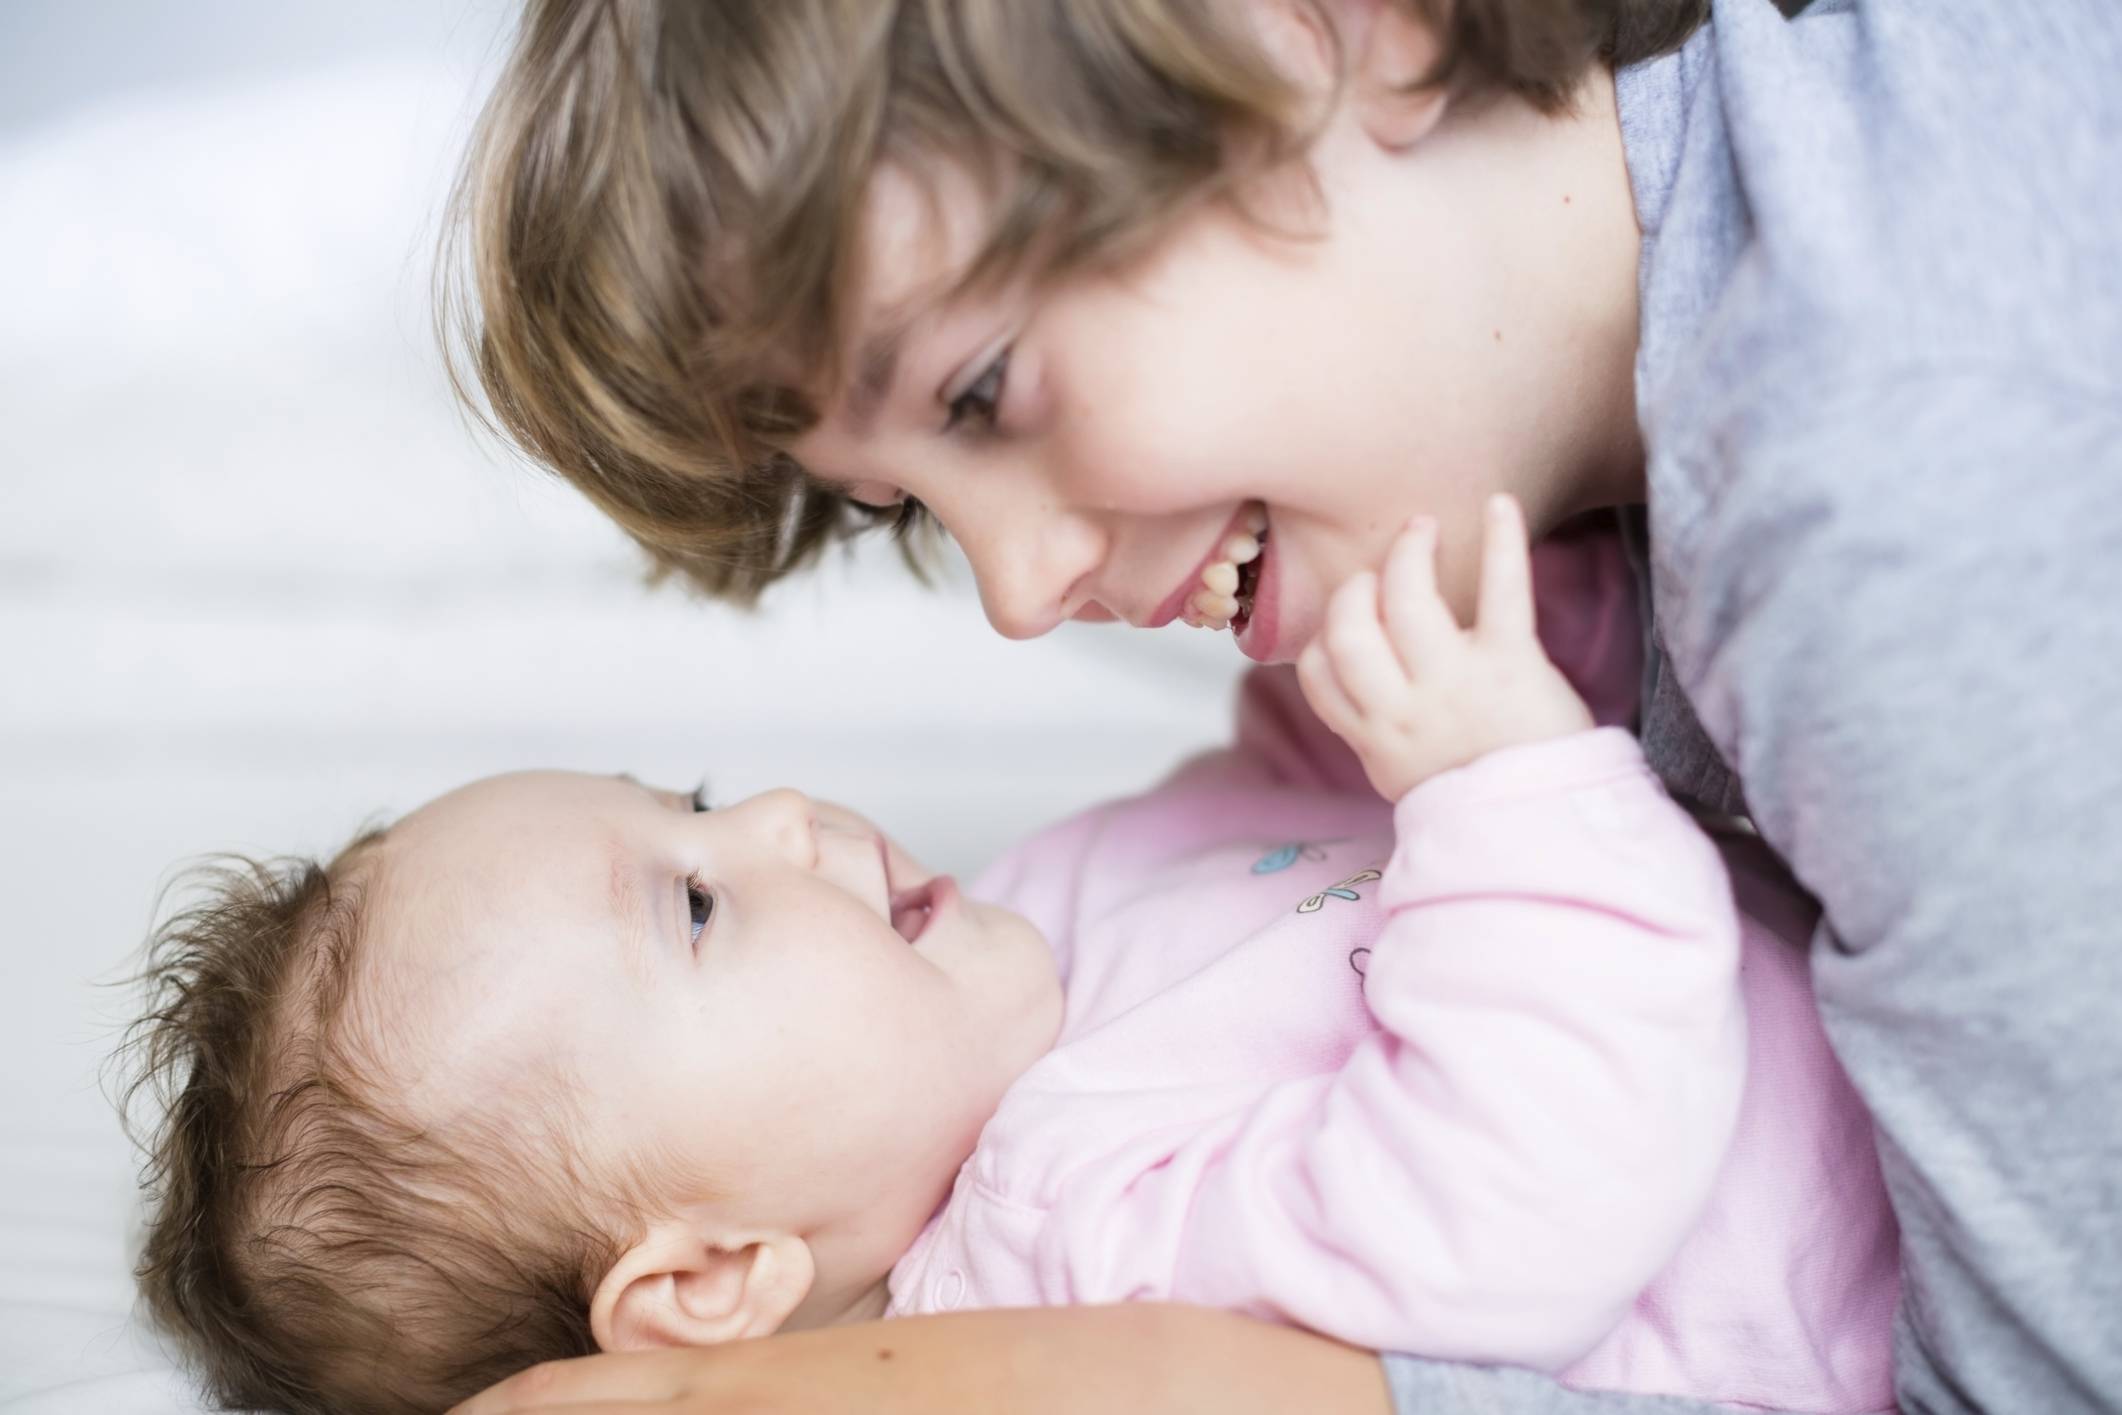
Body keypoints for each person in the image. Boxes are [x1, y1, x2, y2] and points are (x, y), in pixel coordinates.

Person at [442, 0, 2122, 1410]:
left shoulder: (1895, 521)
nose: (1019, 599)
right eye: (908, 508)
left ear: (1311, 29)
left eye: (980, 390)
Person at [120, 514, 1895, 1415]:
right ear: (714, 1281)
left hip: (1872, 918)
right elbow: (1505, 1211)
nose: (789, 821)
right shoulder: (1060, 1264)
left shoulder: (1009, 931)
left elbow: (1265, 812)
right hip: (1895, 1250)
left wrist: (1365, 652)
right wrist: (1499, 785)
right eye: (697, 905)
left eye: (705, 803)